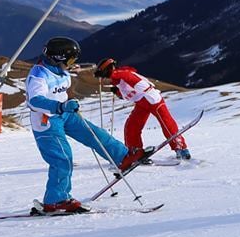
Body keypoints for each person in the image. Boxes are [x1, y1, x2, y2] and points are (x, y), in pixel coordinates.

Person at [25, 37, 151, 213]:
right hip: (46, 121)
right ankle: (56, 200)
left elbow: (61, 91)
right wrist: (60, 106)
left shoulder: (61, 72)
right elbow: (34, 101)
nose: (72, 63)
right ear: (59, 58)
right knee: (62, 158)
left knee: (93, 133)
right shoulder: (38, 75)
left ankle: (122, 157)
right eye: (70, 60)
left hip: (64, 114)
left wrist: (68, 102)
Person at [93, 58, 191, 160]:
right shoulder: (118, 81)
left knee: (166, 122)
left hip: (152, 98)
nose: (105, 78)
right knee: (131, 126)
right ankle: (135, 151)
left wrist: (110, 76)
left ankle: (181, 148)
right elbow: (129, 92)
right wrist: (117, 91)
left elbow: (128, 77)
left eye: (104, 74)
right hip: (142, 103)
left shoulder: (122, 73)